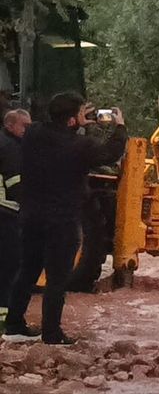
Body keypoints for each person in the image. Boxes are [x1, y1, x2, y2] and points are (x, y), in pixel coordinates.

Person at [3, 93, 127, 345]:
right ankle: (52, 334)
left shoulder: (33, 134)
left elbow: (50, 130)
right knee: (57, 278)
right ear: (71, 120)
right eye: (81, 112)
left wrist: (77, 121)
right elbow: (109, 154)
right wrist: (120, 127)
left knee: (27, 270)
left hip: (31, 216)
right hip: (62, 220)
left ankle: (14, 325)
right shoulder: (80, 145)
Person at [0, 109, 31, 331]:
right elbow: (16, 186)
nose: (28, 131)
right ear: (10, 126)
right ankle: (6, 319)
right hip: (6, 213)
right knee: (10, 266)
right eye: (24, 126)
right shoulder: (10, 148)